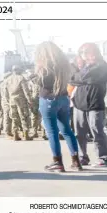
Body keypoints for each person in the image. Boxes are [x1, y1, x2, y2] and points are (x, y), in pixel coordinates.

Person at [34, 42, 82, 172]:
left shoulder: (45, 67)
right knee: (67, 130)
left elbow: (42, 83)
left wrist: (36, 74)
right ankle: (76, 161)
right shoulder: (64, 65)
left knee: (52, 132)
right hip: (63, 99)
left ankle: (57, 162)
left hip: (48, 99)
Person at [71, 42, 107, 167]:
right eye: (82, 52)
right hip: (79, 103)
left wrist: (80, 79)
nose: (84, 55)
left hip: (95, 103)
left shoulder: (101, 66)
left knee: (97, 130)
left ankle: (103, 157)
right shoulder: (79, 66)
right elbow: (72, 78)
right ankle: (83, 156)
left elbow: (84, 77)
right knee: (79, 132)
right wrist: (80, 78)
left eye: (87, 52)